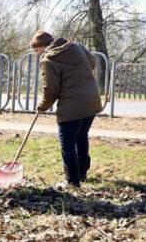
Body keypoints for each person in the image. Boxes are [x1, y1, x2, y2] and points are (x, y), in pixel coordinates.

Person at [32, 30, 103, 188]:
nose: (37, 54)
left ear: (42, 46)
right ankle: (82, 173)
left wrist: (42, 106)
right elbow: (92, 63)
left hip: (72, 105)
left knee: (67, 142)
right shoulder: (75, 45)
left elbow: (51, 90)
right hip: (92, 99)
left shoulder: (48, 59)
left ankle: (72, 181)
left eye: (36, 50)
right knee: (81, 135)